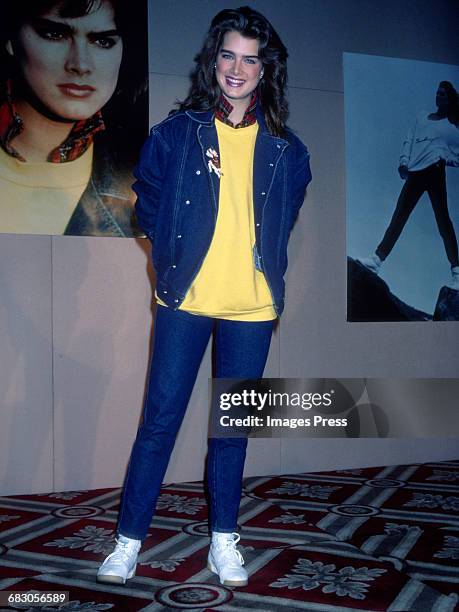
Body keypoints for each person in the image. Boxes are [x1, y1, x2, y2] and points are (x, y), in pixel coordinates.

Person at [97, 6, 311, 587]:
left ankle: (224, 541)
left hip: (253, 307)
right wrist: (170, 257)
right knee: (159, 422)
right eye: (228, 56)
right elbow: (149, 202)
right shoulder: (176, 134)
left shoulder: (287, 150)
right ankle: (127, 541)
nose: (237, 69)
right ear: (212, 61)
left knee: (231, 428)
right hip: (185, 301)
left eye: (251, 58)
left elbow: (284, 215)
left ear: (266, 69)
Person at [0, 0, 147, 236]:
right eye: (54, 34)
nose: (80, 64)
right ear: (10, 38)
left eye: (103, 41)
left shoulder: (142, 180)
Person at [359, 81, 459, 289]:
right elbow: (409, 138)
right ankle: (377, 260)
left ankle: (457, 270)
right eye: (437, 93)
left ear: (450, 100)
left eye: (443, 95)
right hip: (415, 171)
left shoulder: (452, 127)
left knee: (443, 220)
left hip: (435, 171)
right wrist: (404, 161)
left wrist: (445, 158)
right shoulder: (422, 117)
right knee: (399, 216)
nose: (438, 97)